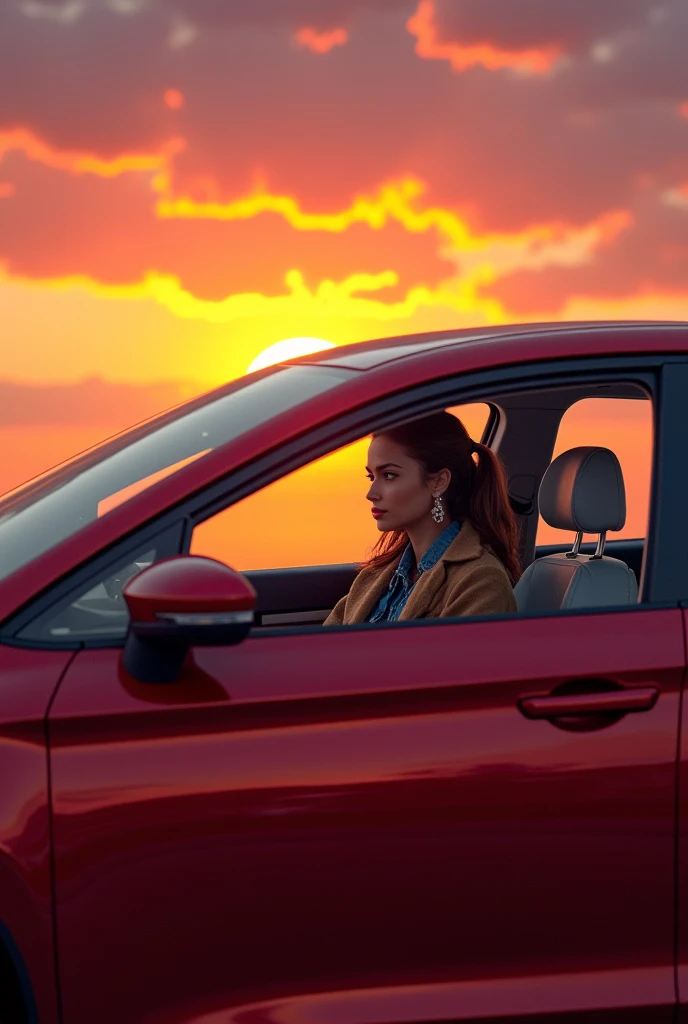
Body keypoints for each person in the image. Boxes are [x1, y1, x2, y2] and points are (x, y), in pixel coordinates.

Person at [323, 411, 520, 626]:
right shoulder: (374, 577)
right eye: (371, 476)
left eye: (389, 475)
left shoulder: (481, 581)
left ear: (438, 482)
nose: (371, 493)